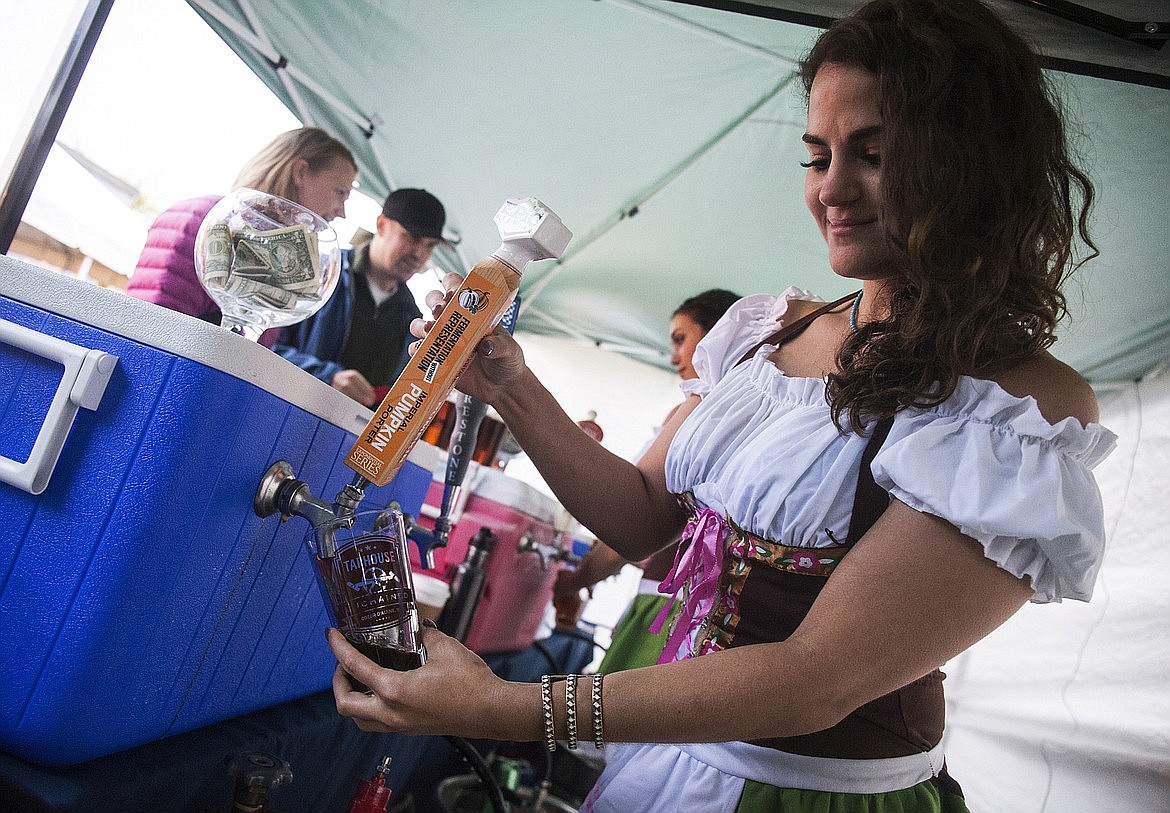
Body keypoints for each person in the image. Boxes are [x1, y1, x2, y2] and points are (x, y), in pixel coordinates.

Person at [327, 1, 1118, 810]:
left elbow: (818, 678)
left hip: (812, 794)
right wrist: (510, 387)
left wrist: (506, 706)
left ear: (971, 164)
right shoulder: (770, 330)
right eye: (817, 157)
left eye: (875, 154)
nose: (833, 190)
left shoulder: (1019, 407)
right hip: (673, 765)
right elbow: (645, 518)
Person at [552, 288, 741, 674]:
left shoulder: (699, 409)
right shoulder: (749, 413)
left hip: (666, 607)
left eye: (680, 339)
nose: (674, 357)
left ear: (718, 335)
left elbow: (633, 518)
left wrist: (574, 581)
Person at [128, 127, 357, 348]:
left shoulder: (287, 260)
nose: (342, 211)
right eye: (340, 193)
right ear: (300, 173)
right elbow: (149, 331)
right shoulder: (203, 220)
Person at [272, 187, 447, 407]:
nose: (419, 253)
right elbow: (264, 345)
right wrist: (327, 377)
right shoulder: (321, 271)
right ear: (381, 224)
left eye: (430, 245)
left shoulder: (413, 318)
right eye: (411, 237)